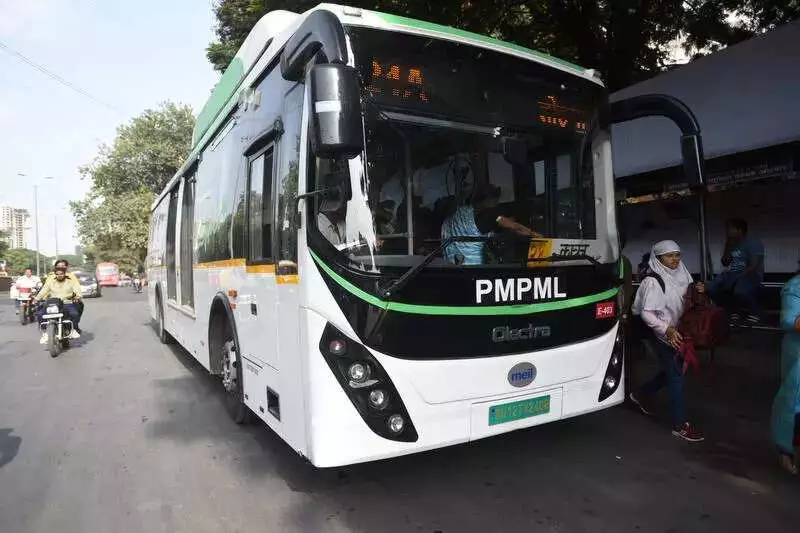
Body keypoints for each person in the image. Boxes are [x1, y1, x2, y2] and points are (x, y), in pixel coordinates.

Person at [628, 240, 705, 442]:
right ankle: (680, 425)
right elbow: (647, 314)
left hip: (680, 331)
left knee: (675, 371)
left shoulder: (683, 274)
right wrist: (667, 330)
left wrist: (698, 291)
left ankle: (640, 394)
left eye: (677, 255)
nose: (675, 259)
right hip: (662, 333)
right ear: (658, 258)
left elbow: (687, 299)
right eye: (669, 256)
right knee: (677, 375)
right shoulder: (653, 282)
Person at [441, 182, 539, 265]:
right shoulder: (489, 215)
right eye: (495, 199)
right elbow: (514, 227)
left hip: (451, 269)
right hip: (473, 270)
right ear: (487, 200)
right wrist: (534, 234)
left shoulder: (458, 212)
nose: (497, 203)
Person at [770, 262, 800, 474]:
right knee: (793, 402)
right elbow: (789, 320)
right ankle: (786, 452)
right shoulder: (795, 287)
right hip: (797, 355)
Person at [706, 218, 764, 324]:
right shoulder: (730, 244)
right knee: (711, 287)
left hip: (751, 275)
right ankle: (733, 310)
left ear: (739, 230)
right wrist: (728, 248)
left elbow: (753, 266)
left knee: (739, 290)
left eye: (730, 229)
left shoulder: (753, 243)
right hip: (733, 274)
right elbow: (725, 263)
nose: (727, 232)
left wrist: (736, 277)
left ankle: (755, 312)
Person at [34, 266, 82, 343]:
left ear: (64, 274)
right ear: (55, 275)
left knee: (75, 314)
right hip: (53, 304)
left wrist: (78, 296)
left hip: (66, 303)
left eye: (61, 274)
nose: (59, 275)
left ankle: (72, 329)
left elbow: (77, 291)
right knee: (40, 314)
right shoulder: (50, 282)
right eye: (57, 274)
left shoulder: (70, 282)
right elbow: (43, 291)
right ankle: (44, 333)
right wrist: (36, 299)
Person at [46, 259, 84, 333]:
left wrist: (77, 296)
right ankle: (44, 331)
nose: (60, 267)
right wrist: (43, 298)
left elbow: (76, 287)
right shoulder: (50, 276)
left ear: (66, 267)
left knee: (77, 309)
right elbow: (46, 288)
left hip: (69, 300)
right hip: (54, 301)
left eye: (63, 266)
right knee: (41, 312)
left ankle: (74, 326)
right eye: (58, 266)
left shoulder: (71, 276)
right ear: (55, 267)